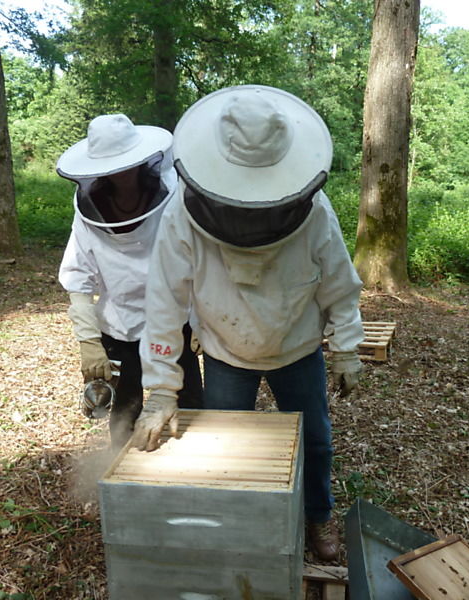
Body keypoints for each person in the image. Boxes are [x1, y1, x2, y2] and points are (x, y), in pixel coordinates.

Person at [133, 86, 364, 562]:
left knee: (315, 442)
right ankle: (228, 523)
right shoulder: (182, 213)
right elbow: (165, 299)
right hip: (225, 349)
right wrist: (160, 388)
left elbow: (340, 283)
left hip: (297, 346)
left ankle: (317, 514)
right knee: (221, 448)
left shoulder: (315, 210)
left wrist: (346, 346)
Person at [56, 113, 202, 447]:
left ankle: (192, 473)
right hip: (119, 326)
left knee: (190, 406)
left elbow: (195, 260)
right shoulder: (88, 213)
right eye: (110, 167)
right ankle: (119, 469)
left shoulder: (174, 198)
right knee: (124, 410)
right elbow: (78, 276)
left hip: (174, 320)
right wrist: (88, 341)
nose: (119, 173)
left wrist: (200, 319)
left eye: (125, 164)